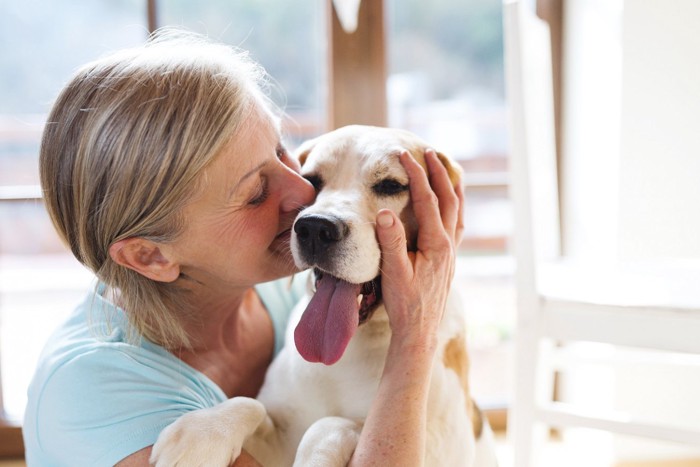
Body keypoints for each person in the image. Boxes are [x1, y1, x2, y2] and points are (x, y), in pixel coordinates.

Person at [23, 28, 464, 466]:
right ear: (152, 255)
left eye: (282, 152)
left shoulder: (284, 288)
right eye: (255, 191)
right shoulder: (96, 401)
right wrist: (415, 338)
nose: (304, 196)